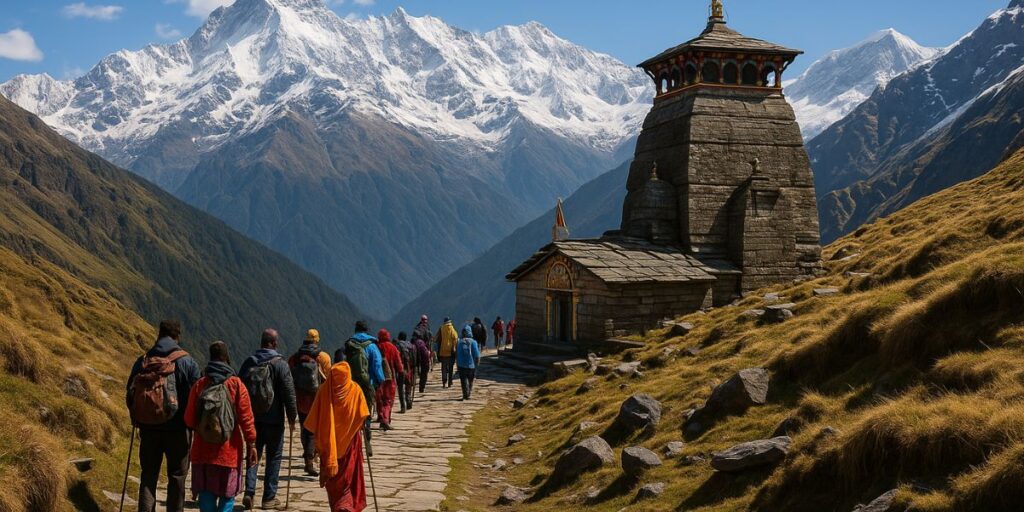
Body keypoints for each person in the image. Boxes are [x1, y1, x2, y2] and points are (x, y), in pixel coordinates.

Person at [126, 319, 201, 512]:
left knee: (149, 475)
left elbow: (130, 393)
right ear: (177, 337)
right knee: (176, 476)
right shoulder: (187, 362)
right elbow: (197, 396)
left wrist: (137, 419)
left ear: (159, 334)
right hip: (178, 429)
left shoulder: (143, 361)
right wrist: (193, 425)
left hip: (149, 429)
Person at [184, 341, 257, 512]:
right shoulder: (236, 385)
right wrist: (252, 443)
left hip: (203, 452)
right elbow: (246, 418)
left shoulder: (200, 384)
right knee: (227, 497)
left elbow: (188, 419)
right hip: (229, 452)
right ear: (226, 357)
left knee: (206, 496)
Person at [240, 329, 298, 510]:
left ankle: (249, 491)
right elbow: (289, 393)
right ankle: (268, 498)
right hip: (275, 420)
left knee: (252, 453)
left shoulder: (249, 362)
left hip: (253, 419)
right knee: (274, 457)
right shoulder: (280, 365)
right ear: (273, 344)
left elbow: (239, 389)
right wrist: (292, 417)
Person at [305, 352, 370, 512]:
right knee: (348, 481)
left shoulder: (324, 390)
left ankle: (339, 508)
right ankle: (345, 507)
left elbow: (313, 422)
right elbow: (363, 417)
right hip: (350, 446)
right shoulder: (355, 390)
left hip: (329, 448)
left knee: (334, 485)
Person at [288, 329, 332, 477]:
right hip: (316, 399)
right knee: (314, 431)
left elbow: (289, 378)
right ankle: (310, 458)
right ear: (317, 340)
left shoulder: (295, 357)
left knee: (304, 427)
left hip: (300, 399)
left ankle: (308, 455)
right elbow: (328, 380)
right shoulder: (323, 357)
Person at [344, 322, 385, 435]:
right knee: (367, 404)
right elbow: (377, 364)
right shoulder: (372, 346)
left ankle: (353, 428)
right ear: (366, 330)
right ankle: (366, 424)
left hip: (351, 381)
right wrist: (381, 379)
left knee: (353, 405)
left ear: (356, 330)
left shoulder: (349, 344)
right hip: (368, 381)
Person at [374, 329, 404, 431]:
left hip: (378, 377)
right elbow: (399, 364)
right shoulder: (392, 347)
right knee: (388, 400)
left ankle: (381, 416)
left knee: (379, 398)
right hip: (390, 378)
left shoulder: (376, 347)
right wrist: (401, 372)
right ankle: (385, 419)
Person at [455, 324, 481, 400]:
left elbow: (457, 354)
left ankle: (465, 393)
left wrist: (457, 364)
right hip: (471, 365)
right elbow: (476, 354)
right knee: (470, 380)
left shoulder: (459, 342)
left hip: (461, 365)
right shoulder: (473, 342)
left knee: (463, 380)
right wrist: (477, 362)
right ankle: (469, 392)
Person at [394, 332, 417, 412]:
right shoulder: (410, 345)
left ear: (399, 337)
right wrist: (414, 367)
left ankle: (403, 406)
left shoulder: (397, 346)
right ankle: (408, 399)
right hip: (409, 369)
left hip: (400, 369)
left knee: (400, 388)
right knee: (408, 385)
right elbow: (414, 358)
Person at [435, 318, 458, 388]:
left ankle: (444, 383)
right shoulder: (452, 328)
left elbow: (436, 338)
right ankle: (450, 382)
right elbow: (455, 337)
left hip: (443, 351)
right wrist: (454, 346)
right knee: (451, 368)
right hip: (451, 351)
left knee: (444, 368)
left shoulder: (441, 328)